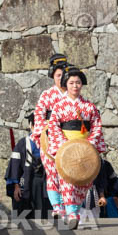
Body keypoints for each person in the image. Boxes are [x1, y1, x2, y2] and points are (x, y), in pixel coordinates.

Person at [45, 68, 107, 229]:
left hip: (85, 148)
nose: (75, 86)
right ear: (66, 84)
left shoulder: (89, 106)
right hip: (65, 148)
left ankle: (73, 210)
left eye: (78, 83)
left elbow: (96, 126)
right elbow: (53, 127)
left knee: (84, 181)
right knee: (67, 179)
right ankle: (72, 214)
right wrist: (64, 146)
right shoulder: (59, 106)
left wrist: (90, 143)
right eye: (71, 83)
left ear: (82, 85)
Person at [32, 54, 71, 215]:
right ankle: (57, 206)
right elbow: (39, 116)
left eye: (63, 75)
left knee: (69, 174)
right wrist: (44, 133)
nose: (61, 78)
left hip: (69, 137)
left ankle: (69, 206)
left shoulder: (72, 95)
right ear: (53, 76)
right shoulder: (47, 95)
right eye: (58, 75)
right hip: (49, 138)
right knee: (52, 173)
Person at [6, 112, 47, 219]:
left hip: (40, 183)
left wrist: (16, 185)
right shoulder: (25, 143)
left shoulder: (46, 143)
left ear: (30, 125)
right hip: (32, 182)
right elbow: (15, 166)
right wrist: (16, 186)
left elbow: (14, 166)